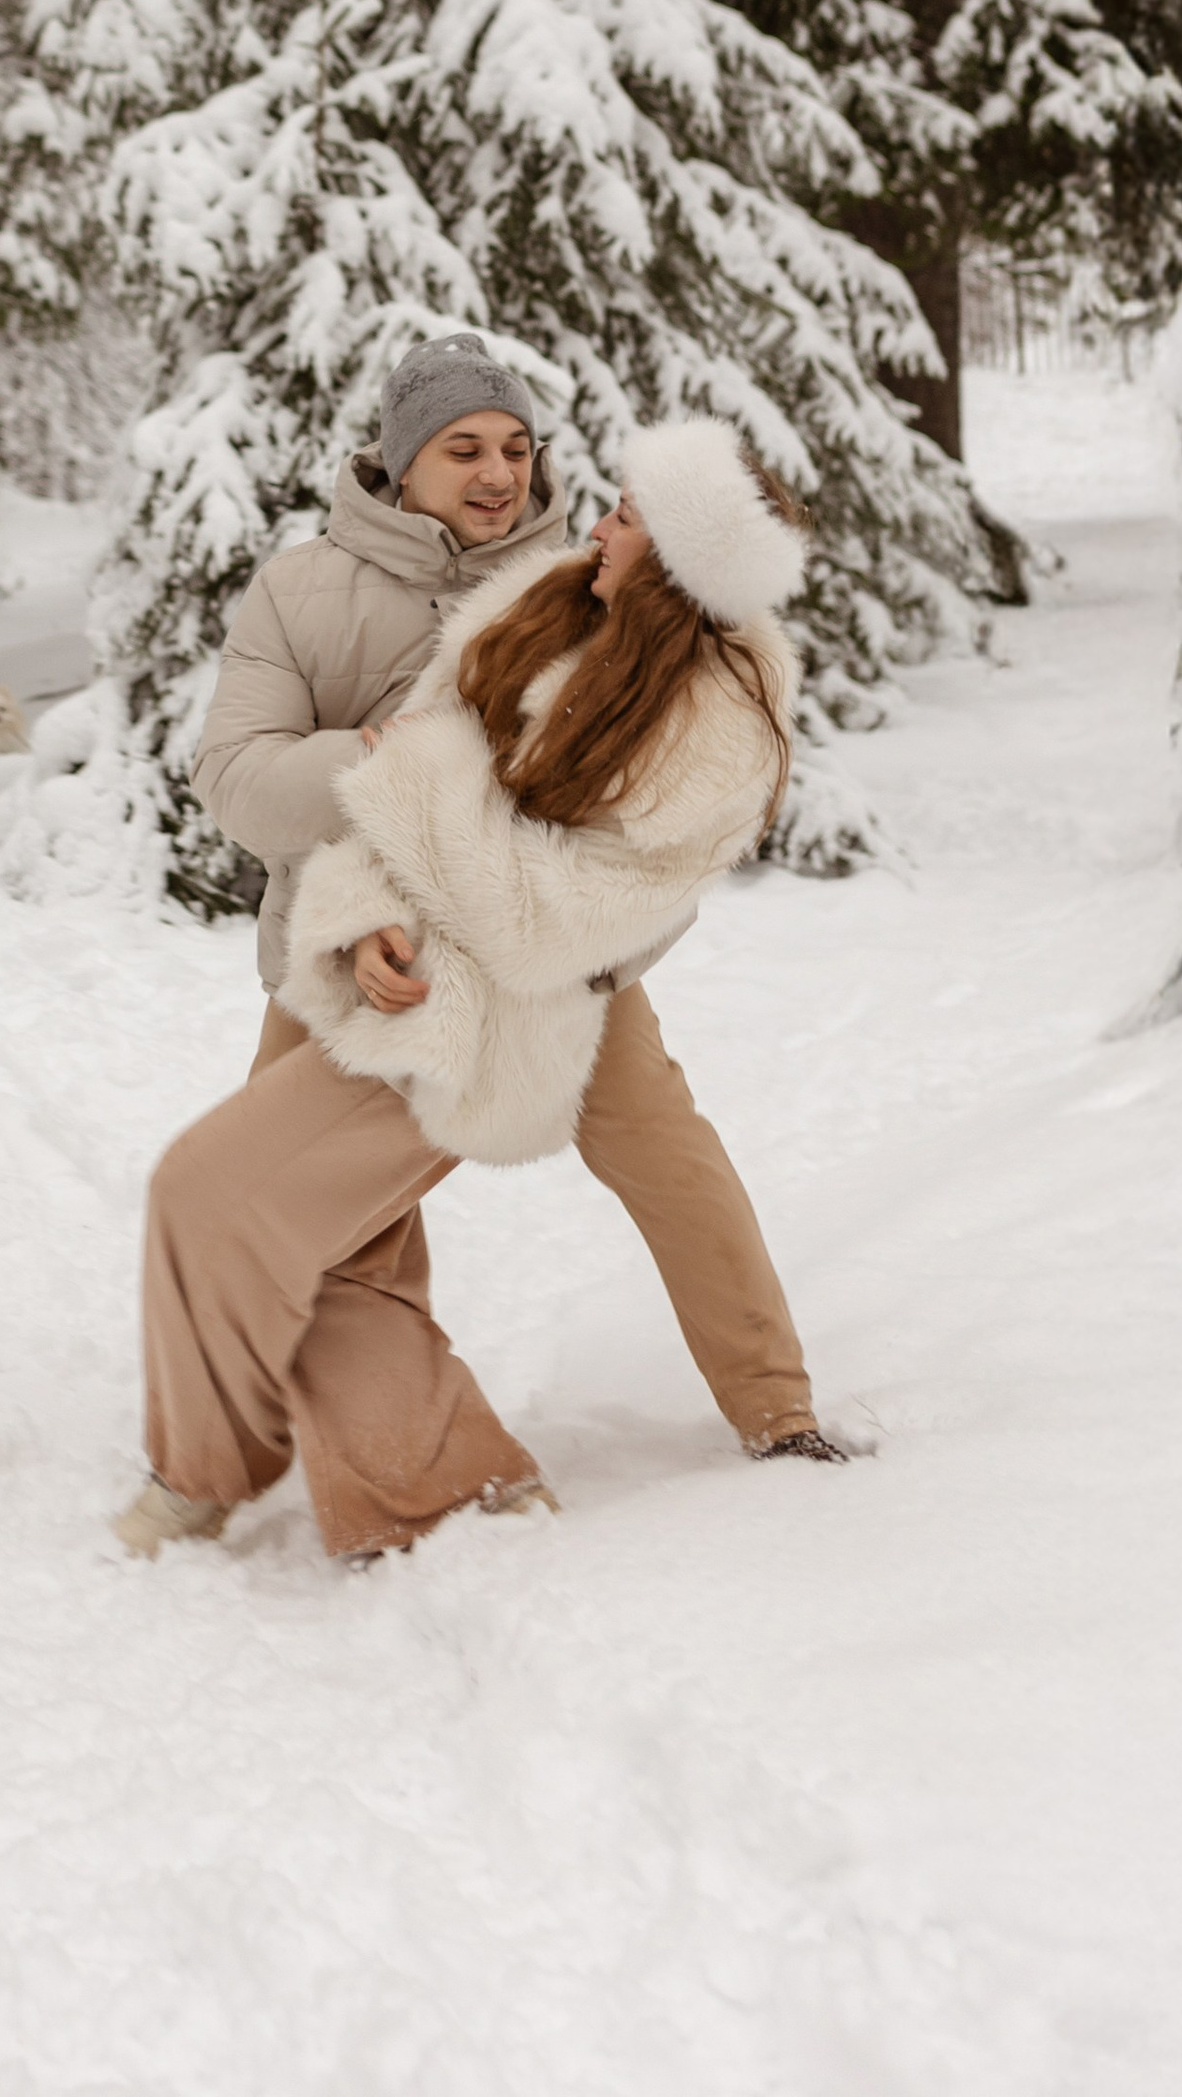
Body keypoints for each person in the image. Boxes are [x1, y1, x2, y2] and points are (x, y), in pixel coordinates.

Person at [114, 368, 840, 1562]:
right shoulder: (306, 590)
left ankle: (773, 1407)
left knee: (669, 1164)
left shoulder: (576, 582)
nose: (503, 475)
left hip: (553, 983)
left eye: (518, 447)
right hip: (355, 945)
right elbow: (241, 782)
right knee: (299, 1222)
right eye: (465, 450)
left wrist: (574, 949)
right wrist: (373, 825)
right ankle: (295, 1466)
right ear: (403, 461)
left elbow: (631, 865)